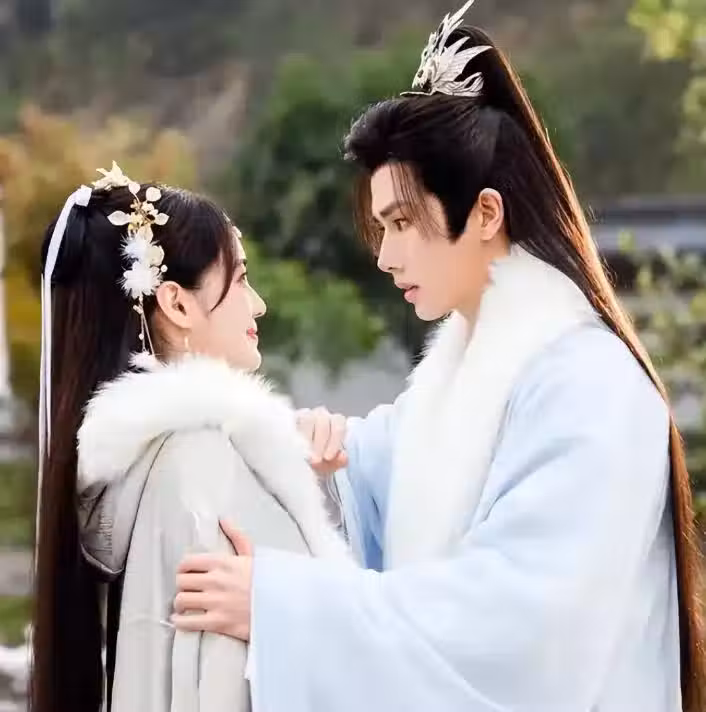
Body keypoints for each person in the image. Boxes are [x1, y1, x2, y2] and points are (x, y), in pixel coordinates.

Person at [172, 3, 706, 711]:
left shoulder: (591, 387)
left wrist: (286, 608)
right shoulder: (455, 384)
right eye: (381, 227)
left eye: (402, 223)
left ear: (486, 213)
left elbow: (521, 631)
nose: (386, 256)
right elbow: (367, 480)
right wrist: (315, 457)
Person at [30, 163, 349, 712]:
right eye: (241, 279)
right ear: (177, 304)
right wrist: (290, 605)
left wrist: (312, 480)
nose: (258, 304)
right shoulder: (204, 461)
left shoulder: (144, 466)